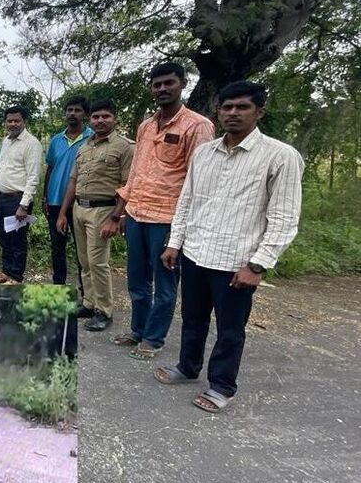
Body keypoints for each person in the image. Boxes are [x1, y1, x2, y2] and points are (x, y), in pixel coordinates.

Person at [154, 81, 303, 414]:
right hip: (196, 253)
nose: (233, 113)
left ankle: (222, 385)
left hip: (237, 262)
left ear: (259, 111)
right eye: (227, 107)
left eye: (242, 107)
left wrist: (258, 264)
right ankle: (188, 367)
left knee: (230, 329)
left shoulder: (279, 157)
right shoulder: (204, 153)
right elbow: (188, 200)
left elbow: (284, 218)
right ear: (218, 111)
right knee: (192, 318)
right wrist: (174, 243)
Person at [107, 62, 216, 359]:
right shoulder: (146, 126)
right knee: (136, 280)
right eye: (157, 85)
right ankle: (138, 330)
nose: (162, 89)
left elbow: (200, 180)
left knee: (165, 284)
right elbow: (136, 174)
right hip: (137, 214)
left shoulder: (197, 126)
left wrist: (182, 231)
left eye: (169, 82)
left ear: (182, 83)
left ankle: (154, 339)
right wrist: (120, 212)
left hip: (167, 219)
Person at [57, 99, 133, 332]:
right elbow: (72, 181)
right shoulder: (84, 147)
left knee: (98, 262)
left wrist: (116, 217)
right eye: (96, 117)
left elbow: (127, 184)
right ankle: (89, 303)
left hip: (104, 210)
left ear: (114, 118)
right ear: (90, 120)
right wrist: (63, 214)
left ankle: (104, 310)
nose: (100, 121)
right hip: (79, 208)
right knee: (84, 261)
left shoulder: (125, 146)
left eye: (105, 117)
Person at [0, 105, 43, 285]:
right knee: (4, 237)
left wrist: (23, 205)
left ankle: (16, 277)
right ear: (5, 122)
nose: (13, 124)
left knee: (17, 239)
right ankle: (6, 271)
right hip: (3, 197)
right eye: (9, 121)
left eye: (16, 120)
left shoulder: (31, 143)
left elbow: (33, 177)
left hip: (17, 199)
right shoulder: (6, 141)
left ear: (24, 121)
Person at [43, 96, 92, 292]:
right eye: (69, 110)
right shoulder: (56, 140)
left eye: (77, 110)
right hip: (55, 201)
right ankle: (58, 287)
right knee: (57, 247)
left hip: (81, 203)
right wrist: (45, 196)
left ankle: (86, 291)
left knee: (83, 250)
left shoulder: (92, 138)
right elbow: (49, 168)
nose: (72, 113)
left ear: (85, 115)